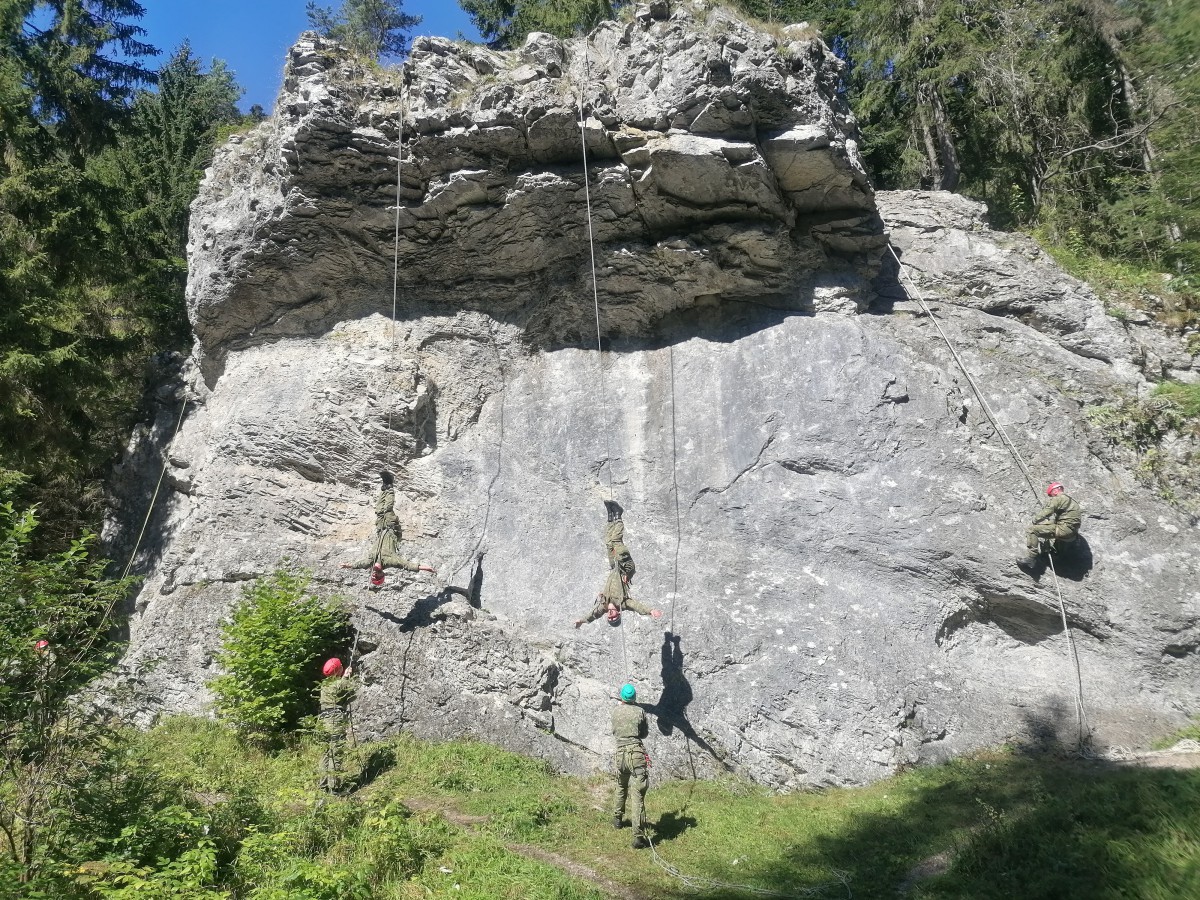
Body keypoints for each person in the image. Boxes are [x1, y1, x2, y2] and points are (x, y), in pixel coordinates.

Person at [575, 501, 663, 627]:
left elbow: (593, 615)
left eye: (610, 617)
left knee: (609, 542)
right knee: (616, 540)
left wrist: (582, 621)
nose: (611, 614)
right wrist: (650, 611)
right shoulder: (623, 603)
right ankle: (619, 516)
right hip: (625, 567)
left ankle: (610, 516)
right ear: (619, 613)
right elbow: (637, 606)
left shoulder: (603, 607)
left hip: (614, 566)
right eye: (615, 616)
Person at [342, 471, 435, 576]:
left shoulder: (370, 561)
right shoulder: (391, 561)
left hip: (381, 527)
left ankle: (384, 488)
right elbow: (407, 565)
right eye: (378, 574)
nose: (375, 572)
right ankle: (390, 485)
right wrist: (426, 569)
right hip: (392, 529)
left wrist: (347, 566)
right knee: (387, 509)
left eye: (374, 573)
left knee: (379, 510)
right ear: (382, 572)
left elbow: (357, 565)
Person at [611, 682, 651, 849]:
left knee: (621, 786)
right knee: (637, 795)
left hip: (620, 755)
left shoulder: (615, 711)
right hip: (636, 755)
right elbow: (644, 733)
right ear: (634, 697)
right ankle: (638, 836)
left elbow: (614, 731)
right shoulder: (640, 711)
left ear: (622, 697)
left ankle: (617, 819)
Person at [1018, 482, 1083, 571]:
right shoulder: (1073, 502)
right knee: (1050, 527)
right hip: (1071, 534)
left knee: (1031, 530)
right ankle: (1056, 554)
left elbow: (1047, 511)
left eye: (1051, 494)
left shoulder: (1058, 499)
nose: (1051, 497)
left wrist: (1036, 520)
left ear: (1056, 490)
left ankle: (1031, 559)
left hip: (1063, 530)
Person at [317, 657, 357, 793]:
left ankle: (322, 786)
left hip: (323, 720)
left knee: (325, 754)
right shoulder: (338, 684)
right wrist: (346, 676)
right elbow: (349, 689)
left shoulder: (324, 685)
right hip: (334, 719)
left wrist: (343, 677)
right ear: (338, 670)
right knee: (335, 752)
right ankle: (335, 788)